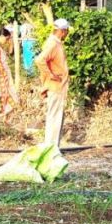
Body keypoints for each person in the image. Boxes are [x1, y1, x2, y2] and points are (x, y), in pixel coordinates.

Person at [34, 18, 71, 147]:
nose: (67, 34)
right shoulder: (53, 44)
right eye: (66, 31)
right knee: (54, 118)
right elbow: (39, 60)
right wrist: (51, 75)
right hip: (55, 86)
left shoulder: (55, 42)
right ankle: (52, 148)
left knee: (56, 117)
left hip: (58, 86)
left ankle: (53, 147)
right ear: (62, 31)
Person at [0, 25, 19, 122]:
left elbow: (10, 52)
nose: (6, 40)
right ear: (1, 37)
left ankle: (5, 118)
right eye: (6, 38)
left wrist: (11, 42)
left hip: (4, 75)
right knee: (2, 96)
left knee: (7, 95)